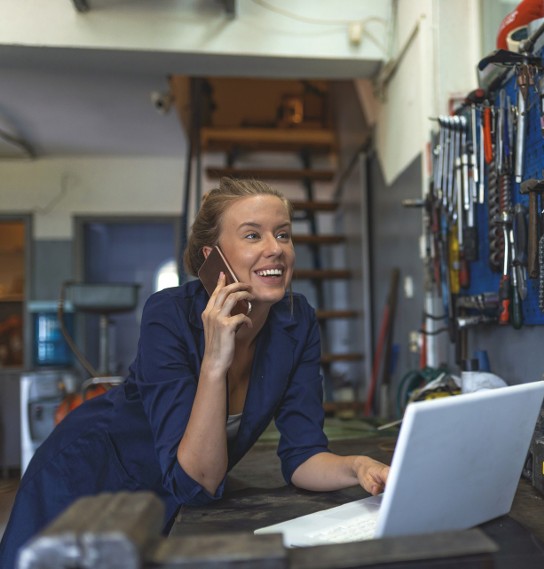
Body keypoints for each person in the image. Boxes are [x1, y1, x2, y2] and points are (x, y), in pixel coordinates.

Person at [0, 178, 389, 567]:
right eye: (253, 235)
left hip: (172, 500)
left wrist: (357, 467)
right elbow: (196, 481)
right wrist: (215, 362)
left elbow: (303, 456)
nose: (275, 249)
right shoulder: (168, 315)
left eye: (283, 234)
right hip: (90, 479)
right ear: (212, 257)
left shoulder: (296, 319)